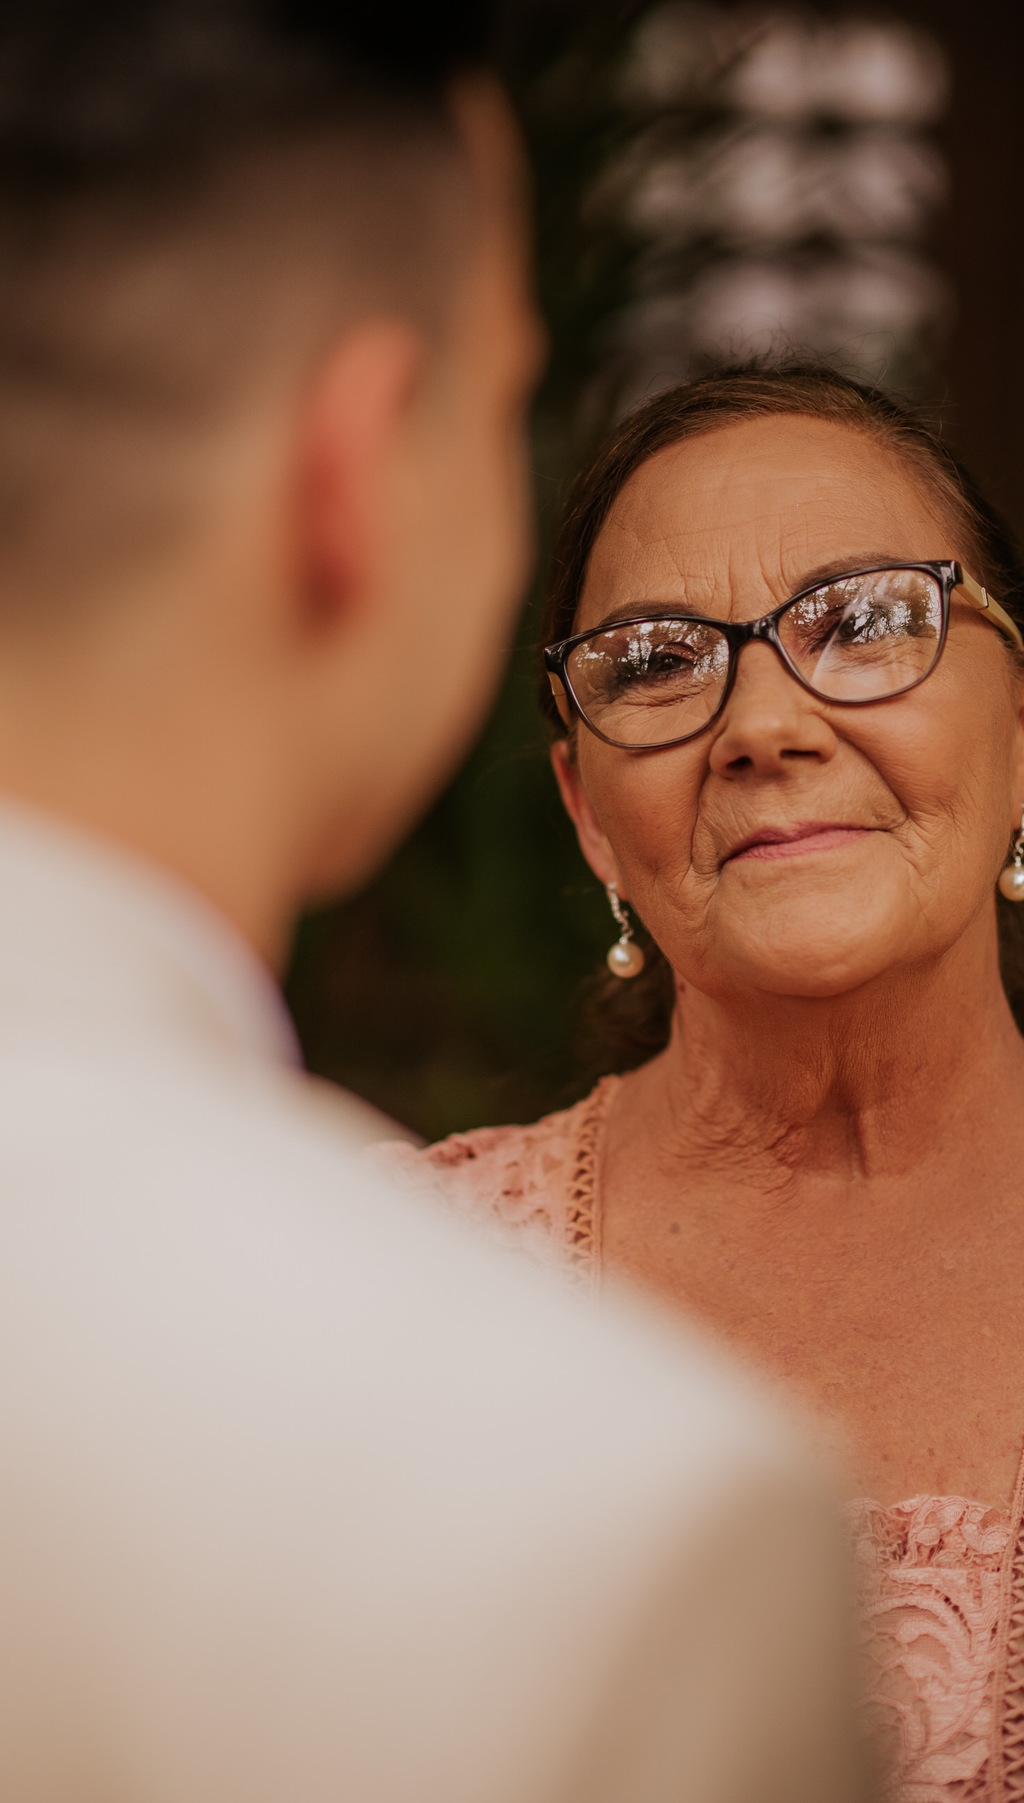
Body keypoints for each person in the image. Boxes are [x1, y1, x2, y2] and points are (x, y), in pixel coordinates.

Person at [0, 12, 868, 1802]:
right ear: (360, 466)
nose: (768, 726)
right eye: (503, 403)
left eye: (859, 626)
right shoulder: (605, 1523)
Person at [388, 365, 1024, 1800]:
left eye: (869, 622)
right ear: (587, 812)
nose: (763, 723)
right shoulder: (394, 1287)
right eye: (655, 661)